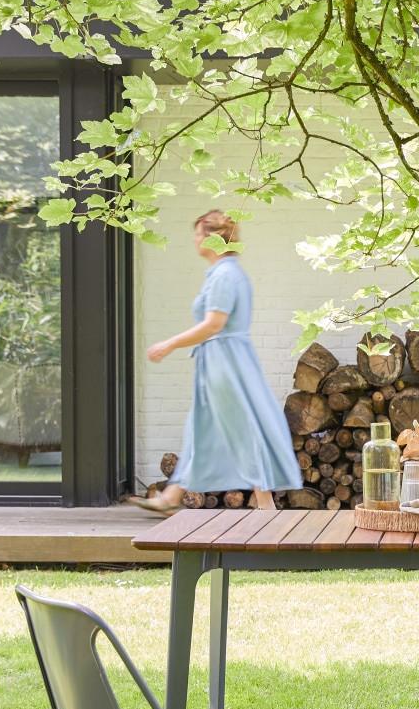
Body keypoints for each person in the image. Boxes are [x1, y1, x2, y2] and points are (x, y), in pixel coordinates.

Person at [129, 211, 301, 515]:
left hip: (225, 363)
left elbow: (214, 324)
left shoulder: (225, 275)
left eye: (198, 234)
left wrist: (168, 344)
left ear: (211, 237)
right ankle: (172, 496)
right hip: (219, 361)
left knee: (241, 427)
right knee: (203, 427)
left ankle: (265, 505)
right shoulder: (223, 273)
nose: (194, 240)